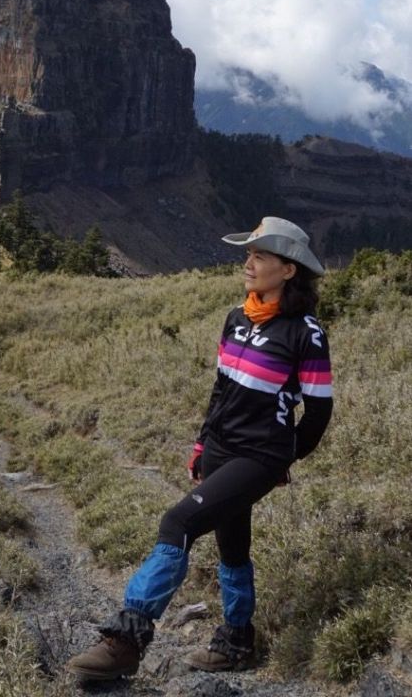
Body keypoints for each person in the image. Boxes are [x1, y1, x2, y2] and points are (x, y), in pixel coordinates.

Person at [67, 216, 333, 682]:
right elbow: (221, 391)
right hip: (220, 449)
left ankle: (127, 641)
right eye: (248, 255)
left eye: (259, 256)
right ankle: (235, 643)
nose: (248, 264)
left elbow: (318, 412)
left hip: (259, 456)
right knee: (233, 547)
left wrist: (283, 458)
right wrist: (200, 444)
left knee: (178, 522)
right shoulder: (236, 318)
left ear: (288, 270)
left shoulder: (305, 333)